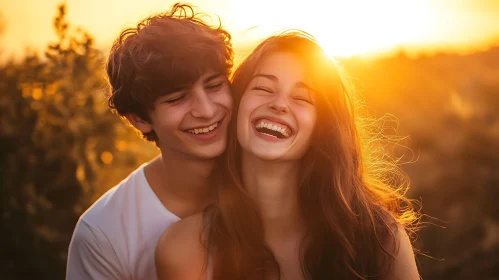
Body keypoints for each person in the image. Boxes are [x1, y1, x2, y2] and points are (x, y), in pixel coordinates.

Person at [155, 31, 420, 279]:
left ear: (321, 126)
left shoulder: (380, 238)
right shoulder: (184, 249)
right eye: (263, 88)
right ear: (236, 103)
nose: (279, 104)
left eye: (302, 98)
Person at [66, 3, 233, 280]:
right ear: (139, 119)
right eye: (177, 98)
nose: (206, 109)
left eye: (214, 85)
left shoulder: (271, 184)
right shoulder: (103, 234)